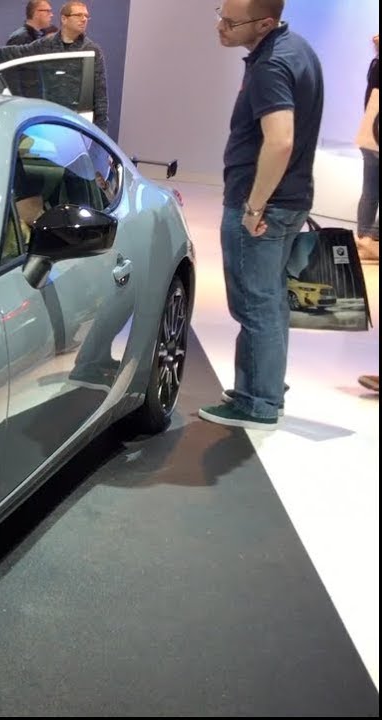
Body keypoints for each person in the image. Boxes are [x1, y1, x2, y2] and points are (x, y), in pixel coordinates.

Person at [197, 0, 324, 430]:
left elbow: (280, 140)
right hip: (290, 199)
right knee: (270, 300)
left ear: (265, 23)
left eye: (231, 22)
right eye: (221, 14)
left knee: (255, 304)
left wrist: (254, 206)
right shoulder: (297, 49)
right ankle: (265, 389)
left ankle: (257, 404)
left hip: (264, 205)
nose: (220, 26)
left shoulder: (271, 65)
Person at [0, 1, 110, 133]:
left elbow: (100, 93)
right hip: (49, 117)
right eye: (79, 15)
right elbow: (16, 52)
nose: (84, 19)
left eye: (86, 16)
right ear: (64, 19)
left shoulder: (91, 50)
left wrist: (101, 131)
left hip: (77, 120)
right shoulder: (47, 44)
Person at [355, 34, 378, 263]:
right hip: (374, 137)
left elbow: (369, 100)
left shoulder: (375, 64)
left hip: (371, 134)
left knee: (370, 191)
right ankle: (373, 240)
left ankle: (363, 239)